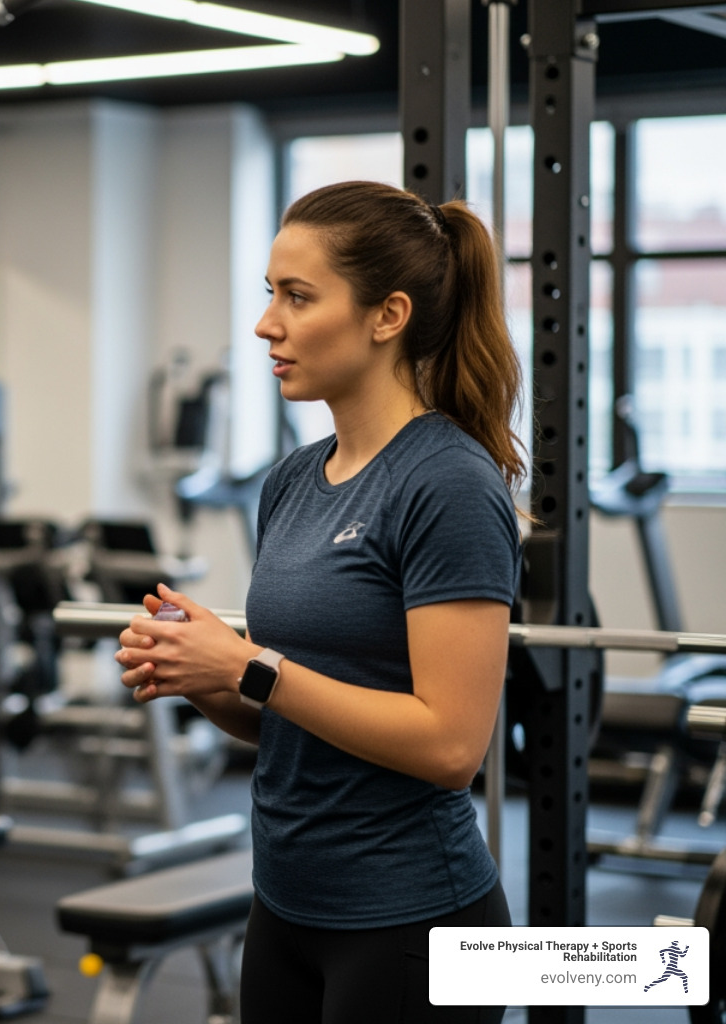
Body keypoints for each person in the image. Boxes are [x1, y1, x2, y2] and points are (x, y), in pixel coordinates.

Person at [115, 180, 523, 1023]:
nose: (267, 324)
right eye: (270, 293)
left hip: (413, 920)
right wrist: (203, 677)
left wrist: (251, 667)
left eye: (298, 297)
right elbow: (297, 724)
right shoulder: (294, 480)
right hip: (286, 907)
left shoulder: (447, 482)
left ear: (388, 316)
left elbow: (452, 746)